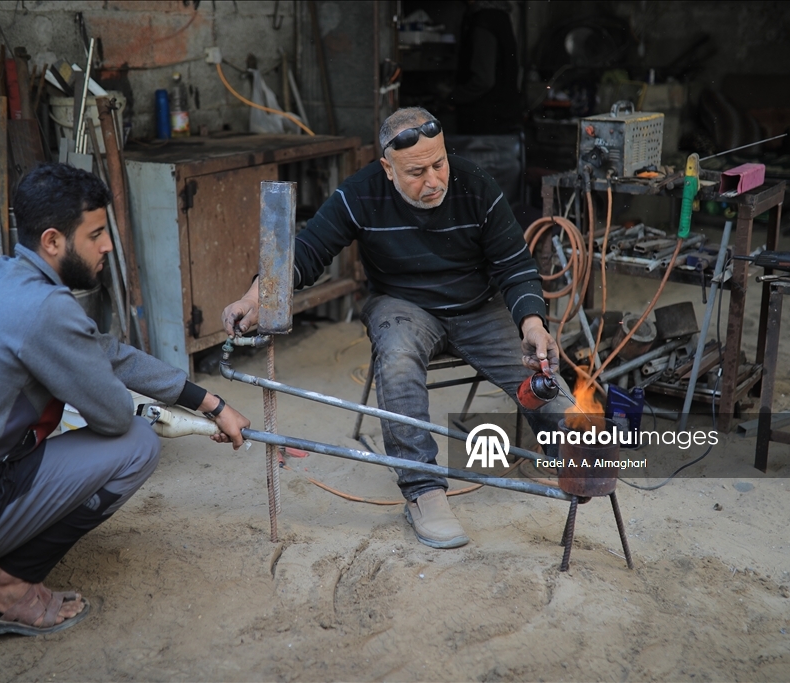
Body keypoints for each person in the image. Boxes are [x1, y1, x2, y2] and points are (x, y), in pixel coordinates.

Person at [0, 163, 250, 636]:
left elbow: (102, 350)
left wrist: (207, 402)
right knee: (137, 445)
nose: (107, 245)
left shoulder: (2, 278)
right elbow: (111, 416)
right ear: (52, 241)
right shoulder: (45, 310)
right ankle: (4, 584)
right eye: (96, 234)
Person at [222, 107, 571, 550]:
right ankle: (423, 490)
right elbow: (308, 251)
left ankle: (565, 451)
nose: (434, 181)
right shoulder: (360, 193)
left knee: (549, 388)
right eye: (416, 171)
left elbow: (515, 266)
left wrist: (533, 323)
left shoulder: (477, 184)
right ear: (387, 169)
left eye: (439, 163)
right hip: (402, 305)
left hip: (478, 308)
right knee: (399, 359)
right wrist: (257, 296)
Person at [448, 0, 521, 134]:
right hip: (500, 117)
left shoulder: (484, 21)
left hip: (484, 119)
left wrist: (454, 97)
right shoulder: (500, 17)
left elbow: (484, 80)